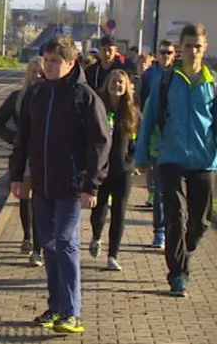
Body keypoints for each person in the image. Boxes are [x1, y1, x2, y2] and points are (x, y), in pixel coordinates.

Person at [9, 36, 111, 334]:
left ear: (70, 63)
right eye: (47, 60)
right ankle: (56, 306)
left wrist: (91, 185)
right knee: (49, 244)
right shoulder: (37, 94)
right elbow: (23, 139)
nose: (49, 66)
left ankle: (72, 311)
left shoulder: (85, 96)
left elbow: (100, 143)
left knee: (65, 241)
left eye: (55, 61)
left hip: (71, 183)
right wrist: (17, 176)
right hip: (43, 184)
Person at [135, 23, 216, 297]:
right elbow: (149, 120)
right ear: (180, 48)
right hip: (170, 157)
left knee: (201, 221)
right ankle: (178, 273)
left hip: (204, 160)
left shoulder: (212, 83)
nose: (192, 51)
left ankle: (187, 247)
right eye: (188, 45)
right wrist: (142, 155)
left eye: (197, 46)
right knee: (174, 216)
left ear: (205, 48)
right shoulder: (166, 81)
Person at [0, 56, 44, 267]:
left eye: (41, 72)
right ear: (28, 74)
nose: (38, 76)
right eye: (34, 72)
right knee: (26, 197)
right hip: (24, 155)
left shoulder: (52, 96)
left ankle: (38, 249)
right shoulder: (17, 97)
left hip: (46, 155)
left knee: (40, 201)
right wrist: (14, 138)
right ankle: (27, 237)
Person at [88, 70, 140, 271]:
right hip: (102, 169)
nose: (116, 85)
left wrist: (133, 159)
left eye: (120, 82)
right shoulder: (99, 106)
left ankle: (112, 255)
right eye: (113, 82)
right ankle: (96, 236)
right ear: (107, 84)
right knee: (98, 210)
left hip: (123, 170)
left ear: (126, 86)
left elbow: (139, 137)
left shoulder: (131, 110)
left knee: (119, 211)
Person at [138, 40, 176, 241]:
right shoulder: (149, 75)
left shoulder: (179, 76)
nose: (166, 55)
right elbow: (143, 103)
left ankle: (173, 229)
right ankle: (159, 232)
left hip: (176, 143)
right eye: (162, 52)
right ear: (156, 55)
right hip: (155, 139)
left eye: (169, 52)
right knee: (159, 190)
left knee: (171, 193)